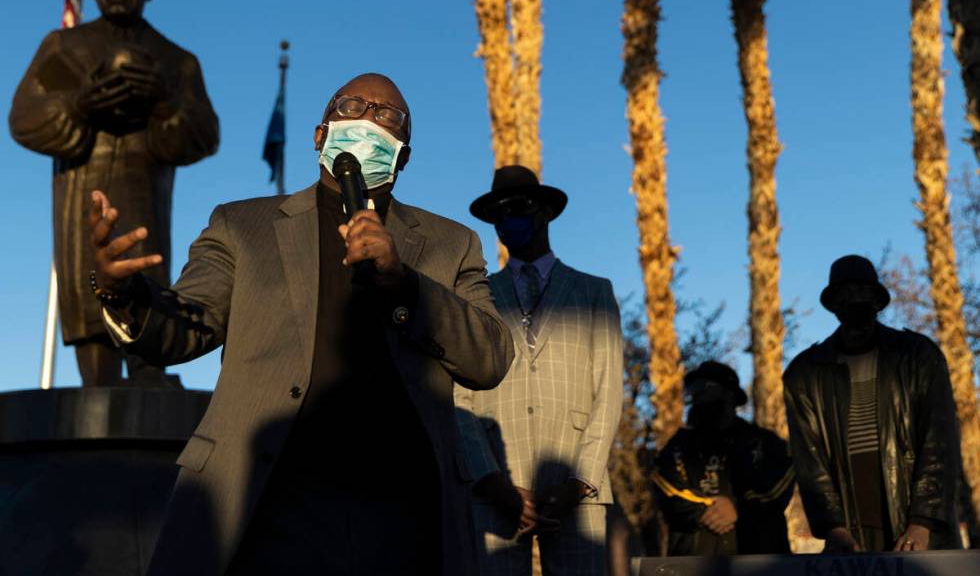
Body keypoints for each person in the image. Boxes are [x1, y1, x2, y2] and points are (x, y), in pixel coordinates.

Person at [89, 73, 514, 575]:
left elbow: (490, 357)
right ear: (320, 135)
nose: (366, 119)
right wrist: (122, 293)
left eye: (386, 116)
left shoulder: (452, 243)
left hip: (402, 516)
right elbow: (186, 325)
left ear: (403, 154)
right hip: (266, 505)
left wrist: (405, 284)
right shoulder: (242, 226)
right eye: (351, 106)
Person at [9, 0, 219, 386]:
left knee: (145, 278)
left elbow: (204, 134)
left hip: (144, 193)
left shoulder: (175, 60)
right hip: (81, 188)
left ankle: (148, 373)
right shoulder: (64, 46)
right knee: (86, 292)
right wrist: (78, 104)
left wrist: (163, 101)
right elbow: (23, 117)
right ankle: (97, 387)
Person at [455, 165, 623, 575]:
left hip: (577, 489)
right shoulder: (475, 295)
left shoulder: (592, 292)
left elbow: (609, 391)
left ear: (545, 211)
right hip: (495, 487)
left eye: (520, 207)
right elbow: (459, 395)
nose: (510, 219)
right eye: (499, 213)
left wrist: (580, 479)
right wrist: (491, 480)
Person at [783, 254, 962, 552]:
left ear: (878, 302)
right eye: (845, 296)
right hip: (851, 534)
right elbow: (809, 460)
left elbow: (940, 441)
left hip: (915, 529)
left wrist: (923, 521)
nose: (855, 303)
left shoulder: (917, 356)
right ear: (834, 305)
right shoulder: (805, 374)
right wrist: (835, 528)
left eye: (863, 294)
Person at [653, 361, 794, 556]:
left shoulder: (765, 444)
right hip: (695, 562)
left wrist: (737, 508)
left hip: (758, 560)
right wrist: (708, 508)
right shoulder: (679, 446)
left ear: (730, 394)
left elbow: (777, 488)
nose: (697, 395)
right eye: (693, 389)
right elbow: (665, 486)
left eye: (705, 387)